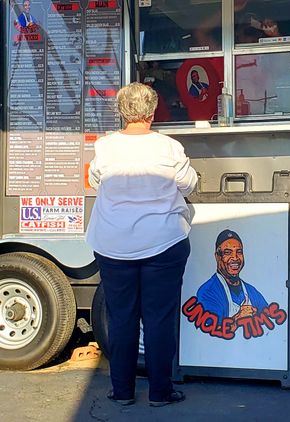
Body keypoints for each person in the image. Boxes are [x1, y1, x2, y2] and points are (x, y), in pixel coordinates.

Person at [86, 82, 197, 407]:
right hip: (164, 241)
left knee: (121, 317)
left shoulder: (105, 147)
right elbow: (188, 184)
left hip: (113, 244)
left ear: (122, 112)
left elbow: (95, 181)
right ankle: (161, 392)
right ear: (152, 112)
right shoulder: (169, 147)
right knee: (159, 318)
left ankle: (122, 391)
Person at [195, 229, 268, 323]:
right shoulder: (208, 291)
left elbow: (270, 319)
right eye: (228, 252)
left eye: (239, 252)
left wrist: (258, 315)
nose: (235, 258)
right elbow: (210, 329)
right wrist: (237, 319)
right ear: (217, 257)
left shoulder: (251, 291)